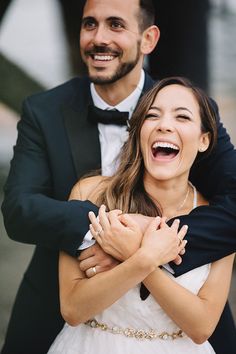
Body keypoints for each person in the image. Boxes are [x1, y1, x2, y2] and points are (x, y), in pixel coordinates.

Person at [1, 0, 236, 353]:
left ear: (148, 39)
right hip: (63, 311)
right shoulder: (44, 110)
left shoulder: (188, 113)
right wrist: (109, 232)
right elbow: (20, 210)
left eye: (115, 25)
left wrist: (144, 249)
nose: (99, 39)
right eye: (89, 25)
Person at [47, 77, 235, 353]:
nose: (165, 125)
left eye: (182, 117)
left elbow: (201, 327)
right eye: (152, 115)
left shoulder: (219, 220)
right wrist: (144, 258)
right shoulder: (90, 193)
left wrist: (135, 252)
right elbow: (73, 309)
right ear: (139, 131)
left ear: (204, 140)